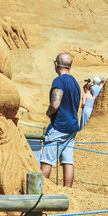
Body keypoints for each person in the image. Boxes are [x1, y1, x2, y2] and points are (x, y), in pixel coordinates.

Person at [40, 52, 80, 188]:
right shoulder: (75, 82)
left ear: (56, 64)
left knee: (47, 160)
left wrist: (48, 112)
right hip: (72, 127)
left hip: (59, 127)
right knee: (68, 161)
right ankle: (69, 191)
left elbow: (55, 104)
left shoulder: (59, 81)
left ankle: (39, 192)